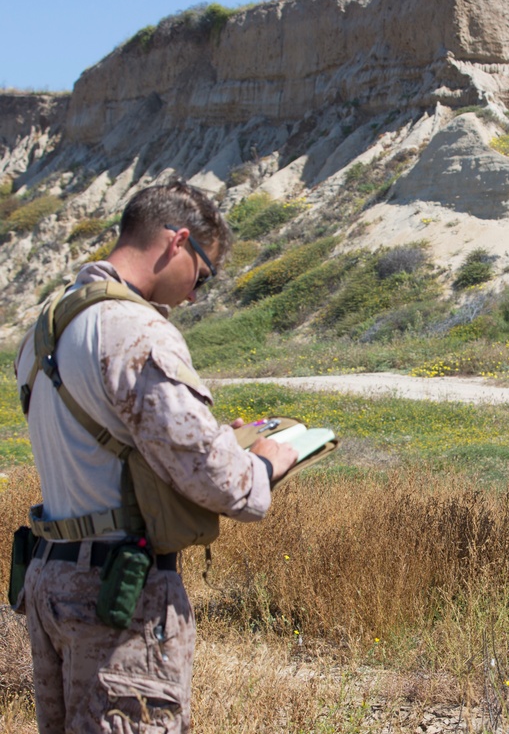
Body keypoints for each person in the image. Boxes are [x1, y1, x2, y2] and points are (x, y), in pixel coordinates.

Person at [14, 181, 298, 733]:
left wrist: (215, 437)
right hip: (117, 594)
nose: (194, 294)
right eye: (203, 273)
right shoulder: (136, 330)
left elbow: (115, 444)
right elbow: (221, 482)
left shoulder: (46, 329)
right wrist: (264, 463)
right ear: (178, 241)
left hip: (52, 579)